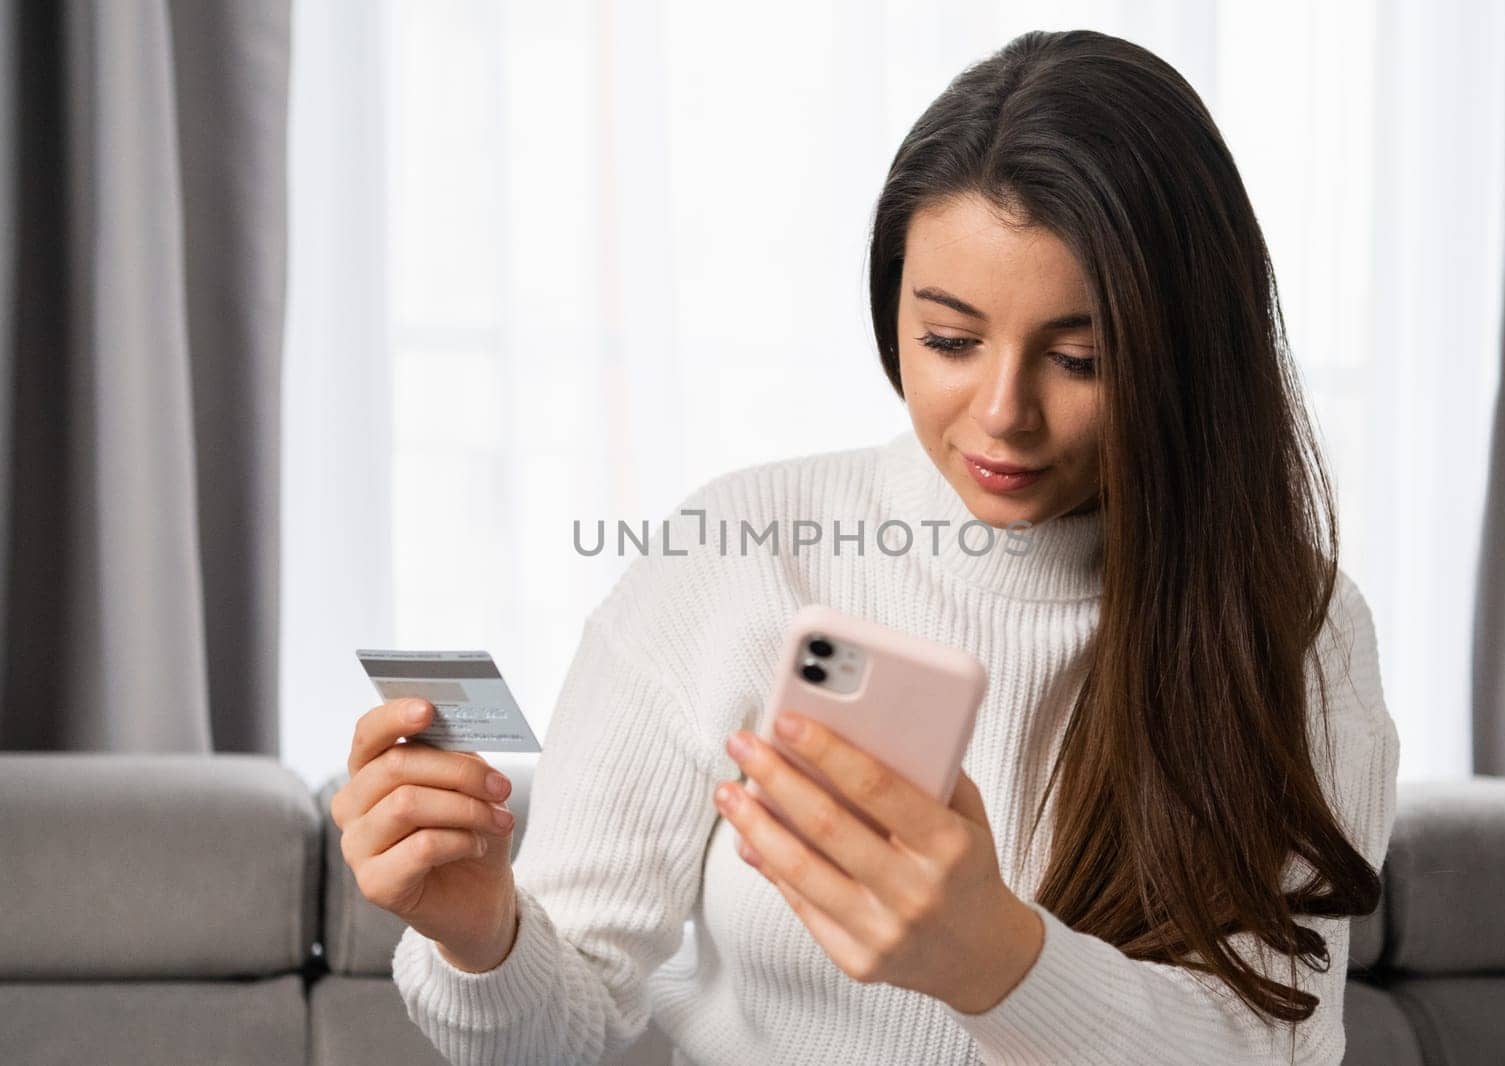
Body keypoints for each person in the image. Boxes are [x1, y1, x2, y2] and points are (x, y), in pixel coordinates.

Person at [331, 28, 1399, 1066]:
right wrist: (479, 935)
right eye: (948, 340)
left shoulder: (1297, 629)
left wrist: (996, 960)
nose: (1000, 414)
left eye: (1078, 358)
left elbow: (1277, 1048)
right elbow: (556, 1028)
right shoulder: (738, 551)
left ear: (1186, 355)